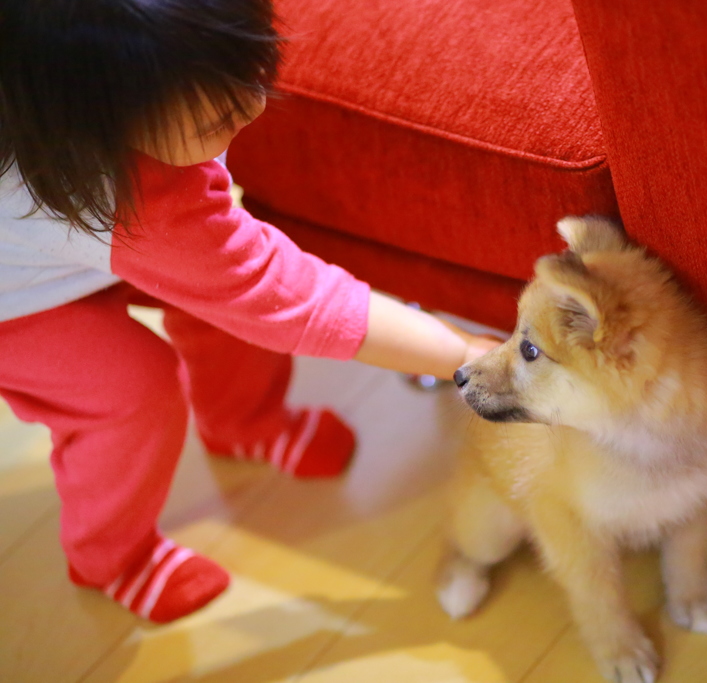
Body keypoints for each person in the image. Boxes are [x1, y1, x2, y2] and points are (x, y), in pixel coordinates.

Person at [0, 0, 498, 623]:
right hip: (14, 306)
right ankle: (109, 557)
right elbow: (293, 300)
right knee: (129, 393)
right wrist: (466, 354)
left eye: (253, 70)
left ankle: (242, 419)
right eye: (217, 116)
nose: (253, 105)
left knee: (218, 302)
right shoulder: (146, 205)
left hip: (59, 244)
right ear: (93, 122)